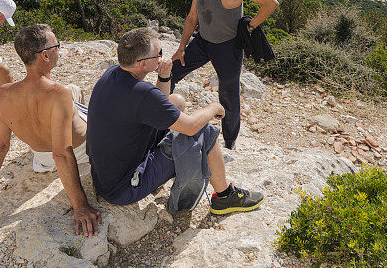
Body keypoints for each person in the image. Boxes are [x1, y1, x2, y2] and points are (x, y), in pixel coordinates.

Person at [0, 24, 102, 237]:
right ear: (45, 55)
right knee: (90, 107)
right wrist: (80, 205)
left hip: (40, 160)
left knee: (74, 89)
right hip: (80, 152)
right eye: (57, 46)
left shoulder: (3, 94)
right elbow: (62, 154)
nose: (59, 50)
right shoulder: (58, 94)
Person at [86, 28, 263, 214]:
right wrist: (213, 108)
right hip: (125, 187)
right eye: (159, 54)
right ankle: (225, 196)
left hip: (106, 176)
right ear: (144, 64)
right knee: (204, 131)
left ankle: (166, 169)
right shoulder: (142, 93)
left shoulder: (112, 74)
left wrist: (164, 76)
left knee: (176, 101)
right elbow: (190, 127)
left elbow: (159, 105)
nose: (162, 57)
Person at [170, 0, 278, 149]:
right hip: (202, 42)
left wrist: (251, 26)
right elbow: (193, 16)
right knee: (172, 72)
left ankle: (229, 141)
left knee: (228, 95)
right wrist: (181, 47)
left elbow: (270, 3)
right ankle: (164, 119)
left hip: (228, 47)